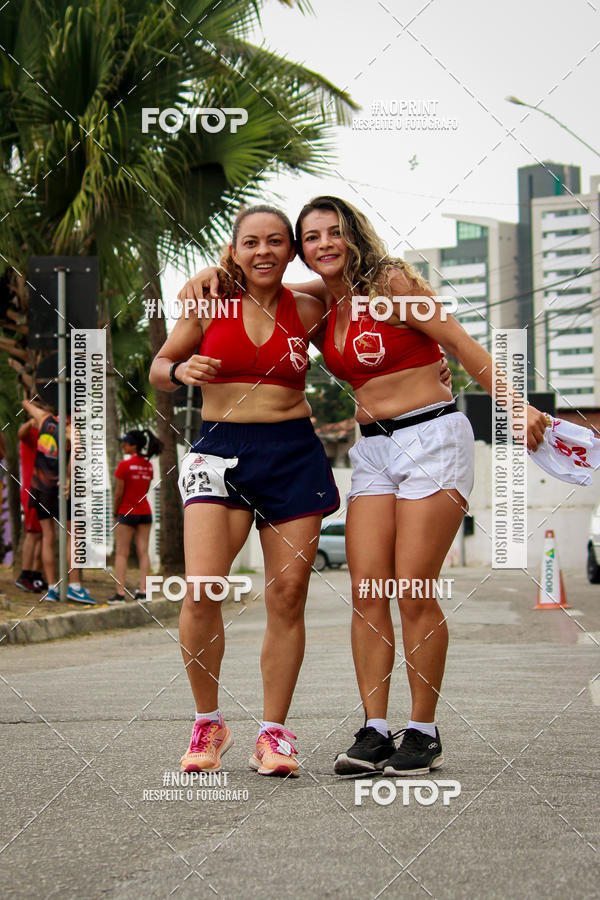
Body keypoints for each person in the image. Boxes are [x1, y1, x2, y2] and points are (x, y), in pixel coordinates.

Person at [166, 205, 453, 779]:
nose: (264, 251)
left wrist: (431, 362)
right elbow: (162, 362)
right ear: (234, 248)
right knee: (200, 589)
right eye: (251, 243)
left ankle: (274, 735)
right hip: (217, 450)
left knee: (288, 593)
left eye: (277, 242)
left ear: (290, 251)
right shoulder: (208, 298)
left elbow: (376, 325)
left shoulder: (312, 305)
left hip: (293, 453)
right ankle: (208, 721)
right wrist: (177, 371)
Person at [290, 195, 547, 776]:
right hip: (374, 449)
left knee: (412, 589)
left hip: (433, 437)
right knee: (367, 591)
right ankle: (375, 730)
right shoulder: (317, 308)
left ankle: (423, 732)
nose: (324, 244)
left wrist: (515, 404)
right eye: (312, 237)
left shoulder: (393, 282)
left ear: (354, 234)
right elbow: (242, 289)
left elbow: (459, 345)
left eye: (334, 232)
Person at [22, 398, 95, 604]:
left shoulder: (44, 420)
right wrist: (69, 478)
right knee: (74, 535)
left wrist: (41, 396)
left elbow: (25, 403)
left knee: (47, 537)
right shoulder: (72, 429)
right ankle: (74, 587)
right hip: (58, 490)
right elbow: (77, 453)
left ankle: (52, 587)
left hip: (38, 489)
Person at [109, 429, 162, 604]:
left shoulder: (124, 466)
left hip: (126, 511)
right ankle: (143, 592)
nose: (122, 445)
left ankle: (120, 594)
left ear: (134, 446)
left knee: (122, 554)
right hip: (145, 512)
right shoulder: (148, 465)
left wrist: (115, 512)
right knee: (143, 553)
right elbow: (145, 490)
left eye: (125, 443)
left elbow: (119, 493)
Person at [15, 416, 46, 593]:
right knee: (33, 533)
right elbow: (21, 433)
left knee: (43, 534)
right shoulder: (30, 432)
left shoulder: (50, 433)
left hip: (46, 490)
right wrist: (31, 422)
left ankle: (36, 574)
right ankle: (24, 575)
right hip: (31, 490)